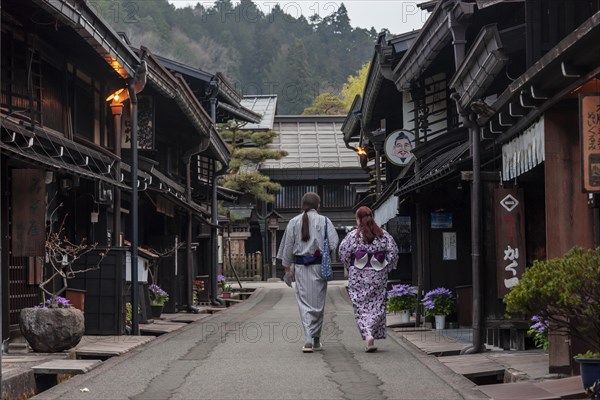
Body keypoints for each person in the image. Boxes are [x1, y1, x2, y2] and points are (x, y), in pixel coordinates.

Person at [277, 192, 339, 353]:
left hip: (301, 268)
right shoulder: (324, 221)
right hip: (319, 267)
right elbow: (333, 242)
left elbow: (288, 246)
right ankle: (316, 339)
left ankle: (308, 339)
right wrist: (325, 253)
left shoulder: (293, 222)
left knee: (305, 304)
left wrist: (286, 269)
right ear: (318, 205)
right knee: (318, 304)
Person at [338, 206, 399, 352]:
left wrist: (350, 266)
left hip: (358, 275)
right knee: (377, 304)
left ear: (358, 219)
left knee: (360, 306)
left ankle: (368, 333)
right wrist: (386, 266)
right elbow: (394, 252)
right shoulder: (383, 235)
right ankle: (371, 329)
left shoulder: (353, 236)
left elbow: (343, 253)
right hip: (378, 274)